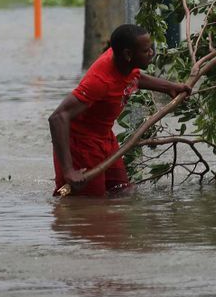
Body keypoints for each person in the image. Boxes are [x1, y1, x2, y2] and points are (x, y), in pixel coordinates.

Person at [49, 24, 190, 197]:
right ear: (128, 54)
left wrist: (170, 87)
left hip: (105, 137)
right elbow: (58, 117)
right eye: (146, 51)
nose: (151, 53)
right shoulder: (100, 80)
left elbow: (135, 77)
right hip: (81, 145)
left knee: (123, 191)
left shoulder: (124, 64)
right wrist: (69, 170)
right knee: (88, 204)